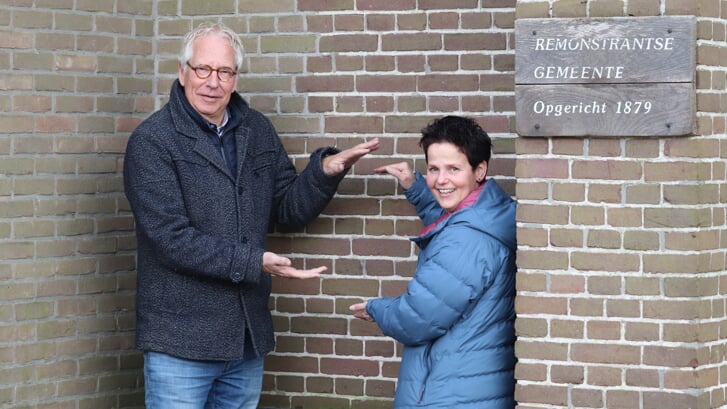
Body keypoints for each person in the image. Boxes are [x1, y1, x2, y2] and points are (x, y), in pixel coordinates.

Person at [123, 22, 379, 409]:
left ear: (235, 77)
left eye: (224, 72)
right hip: (179, 343)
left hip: (244, 340)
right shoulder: (152, 142)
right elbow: (171, 239)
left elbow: (287, 210)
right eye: (202, 69)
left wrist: (326, 172)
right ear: (182, 72)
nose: (213, 82)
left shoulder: (257, 130)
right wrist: (255, 261)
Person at [350, 115, 516, 408]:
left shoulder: (467, 241)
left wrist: (377, 308)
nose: (440, 180)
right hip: (472, 388)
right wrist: (415, 188)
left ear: (479, 170)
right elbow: (452, 225)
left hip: (448, 395)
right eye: (433, 169)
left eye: (453, 169)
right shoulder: (490, 213)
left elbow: (417, 319)